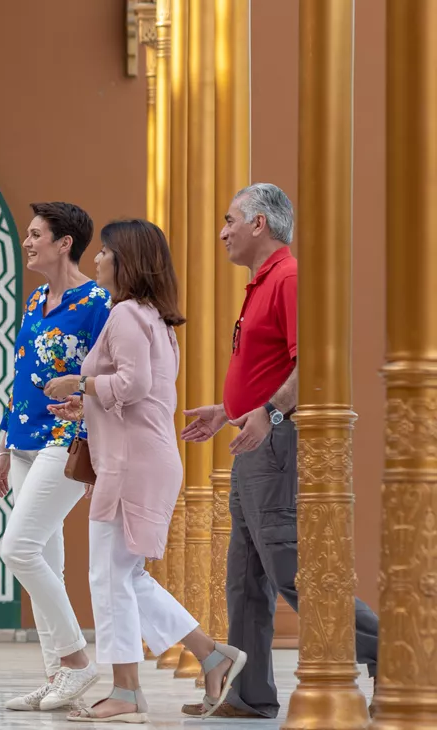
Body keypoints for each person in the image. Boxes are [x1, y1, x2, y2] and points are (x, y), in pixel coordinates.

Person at [179, 183, 381, 719]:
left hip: (276, 443)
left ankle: (391, 652)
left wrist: (267, 415)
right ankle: (250, 695)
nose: (222, 232)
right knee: (244, 579)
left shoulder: (287, 279)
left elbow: (310, 364)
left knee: (291, 569)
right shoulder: (261, 284)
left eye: (229, 220)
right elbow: (268, 367)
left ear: (258, 224)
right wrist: (227, 410)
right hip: (254, 442)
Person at [42, 218, 245, 723]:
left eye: (105, 253)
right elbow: (140, 393)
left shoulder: (127, 315)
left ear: (125, 259)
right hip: (140, 457)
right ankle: (212, 654)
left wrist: (79, 385)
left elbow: (130, 386)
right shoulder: (152, 318)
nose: (97, 260)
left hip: (132, 462)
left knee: (107, 576)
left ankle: (127, 692)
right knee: (125, 574)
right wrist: (85, 404)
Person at [0, 202, 110, 712]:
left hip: (67, 440)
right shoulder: (36, 299)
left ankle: (78, 662)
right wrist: (1, 445)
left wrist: (96, 444)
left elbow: (111, 376)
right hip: (22, 442)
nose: (27, 242)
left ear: (65, 243)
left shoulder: (97, 302)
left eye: (36, 234)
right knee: (45, 562)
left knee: (17, 549)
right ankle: (57, 674)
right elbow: (19, 376)